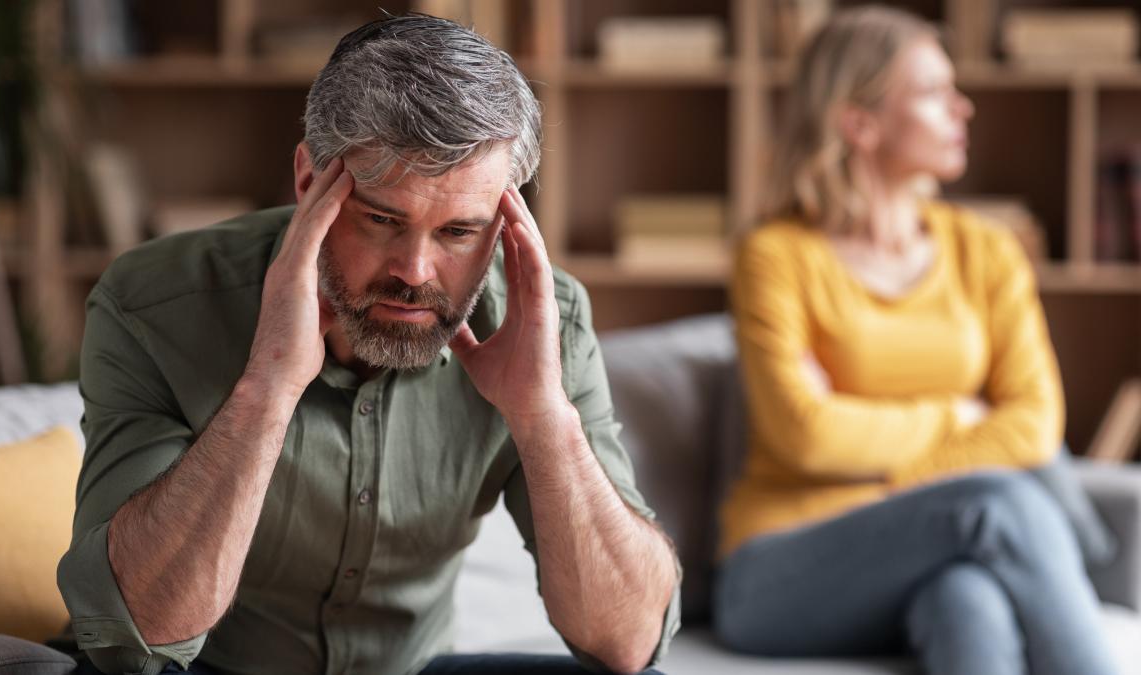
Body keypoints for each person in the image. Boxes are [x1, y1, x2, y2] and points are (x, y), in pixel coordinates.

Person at [57, 15, 679, 675]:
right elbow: (135, 636)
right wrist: (267, 387)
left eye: (460, 232)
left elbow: (628, 642)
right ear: (308, 182)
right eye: (383, 218)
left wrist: (543, 417)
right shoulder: (153, 305)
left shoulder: (545, 322)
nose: (415, 271)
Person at [713, 6, 1118, 675]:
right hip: (782, 563)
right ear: (859, 122)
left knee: (968, 599)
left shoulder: (988, 251)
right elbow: (803, 433)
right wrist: (958, 416)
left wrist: (894, 478)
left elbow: (1034, 425)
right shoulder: (775, 255)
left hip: (927, 552)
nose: (964, 109)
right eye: (933, 92)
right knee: (997, 502)